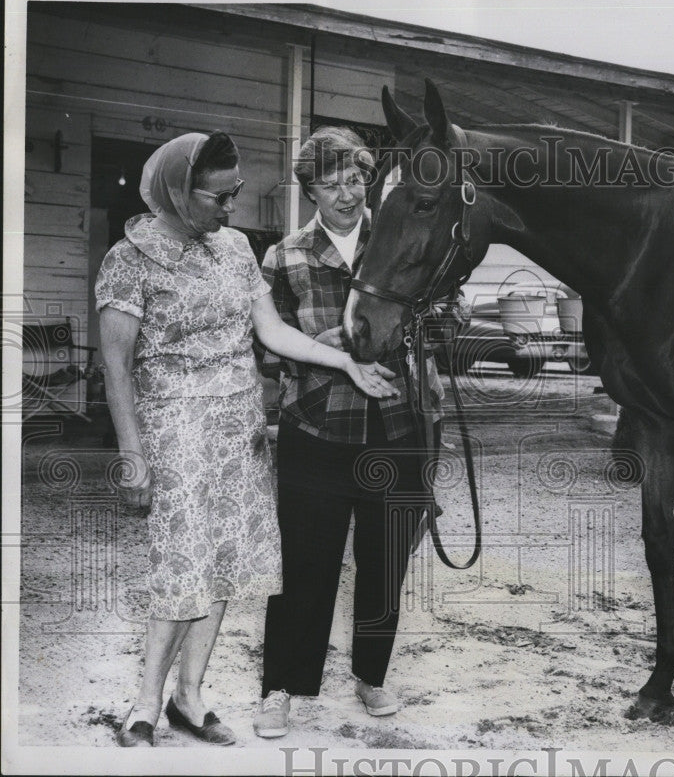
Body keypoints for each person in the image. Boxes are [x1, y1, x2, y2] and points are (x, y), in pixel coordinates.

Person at [97, 131, 396, 748]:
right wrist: (131, 451)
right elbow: (116, 367)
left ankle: (190, 696)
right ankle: (146, 702)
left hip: (241, 430)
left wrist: (343, 363)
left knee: (229, 566)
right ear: (178, 194)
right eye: (218, 197)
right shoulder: (128, 259)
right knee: (183, 566)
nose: (231, 208)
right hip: (176, 430)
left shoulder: (233, 248)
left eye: (234, 195)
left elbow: (271, 331)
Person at [253, 127, 442, 738]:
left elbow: (446, 318)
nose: (346, 193)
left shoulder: (401, 242)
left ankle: (371, 674)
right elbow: (263, 351)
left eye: (356, 179)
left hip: (396, 430)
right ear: (309, 190)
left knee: (384, 563)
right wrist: (325, 346)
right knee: (305, 566)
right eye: (330, 183)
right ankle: (281, 686)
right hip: (316, 431)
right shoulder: (284, 257)